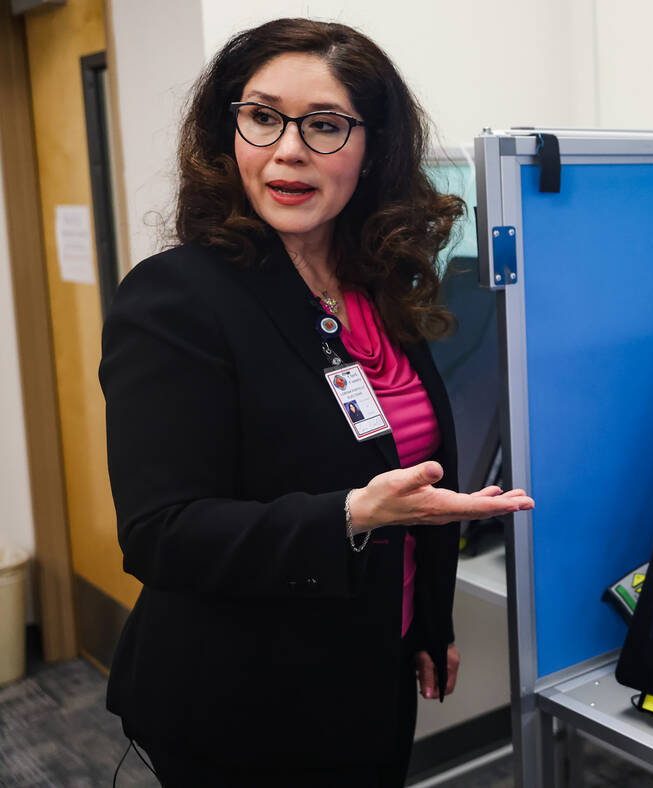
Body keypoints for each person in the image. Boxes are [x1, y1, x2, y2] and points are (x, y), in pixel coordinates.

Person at [98, 18, 533, 786]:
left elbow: (408, 471)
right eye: (262, 117)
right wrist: (350, 515)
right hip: (245, 698)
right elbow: (160, 534)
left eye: (325, 126)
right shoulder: (176, 300)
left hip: (373, 664)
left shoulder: (377, 284)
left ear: (372, 152)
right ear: (227, 132)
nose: (288, 150)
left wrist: (427, 620)